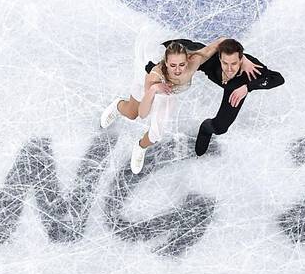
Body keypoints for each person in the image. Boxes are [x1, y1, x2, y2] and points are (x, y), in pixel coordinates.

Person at [99, 36, 231, 173]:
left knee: (156, 133)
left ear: (188, 60)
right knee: (133, 113)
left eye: (182, 64)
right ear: (166, 63)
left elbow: (221, 41)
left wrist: (243, 61)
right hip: (151, 88)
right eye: (173, 65)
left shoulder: (195, 61)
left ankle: (140, 147)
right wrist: (154, 88)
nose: (178, 70)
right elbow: (143, 113)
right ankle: (118, 105)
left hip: (166, 96)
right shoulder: (154, 77)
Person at [147, 38, 285, 156]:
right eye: (225, 63)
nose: (229, 69)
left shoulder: (252, 69)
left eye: (234, 63)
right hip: (220, 72)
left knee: (220, 127)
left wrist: (247, 87)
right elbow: (188, 51)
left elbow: (278, 78)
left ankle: (206, 128)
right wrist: (153, 68)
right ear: (219, 58)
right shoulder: (211, 59)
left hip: (236, 90)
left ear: (241, 59)